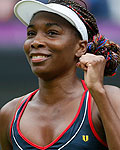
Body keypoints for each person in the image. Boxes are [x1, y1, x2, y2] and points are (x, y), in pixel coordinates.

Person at [0, 0, 120, 149]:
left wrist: (97, 90)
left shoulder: (109, 98)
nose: (36, 42)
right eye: (31, 33)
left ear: (80, 47)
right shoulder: (9, 113)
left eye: (52, 33)